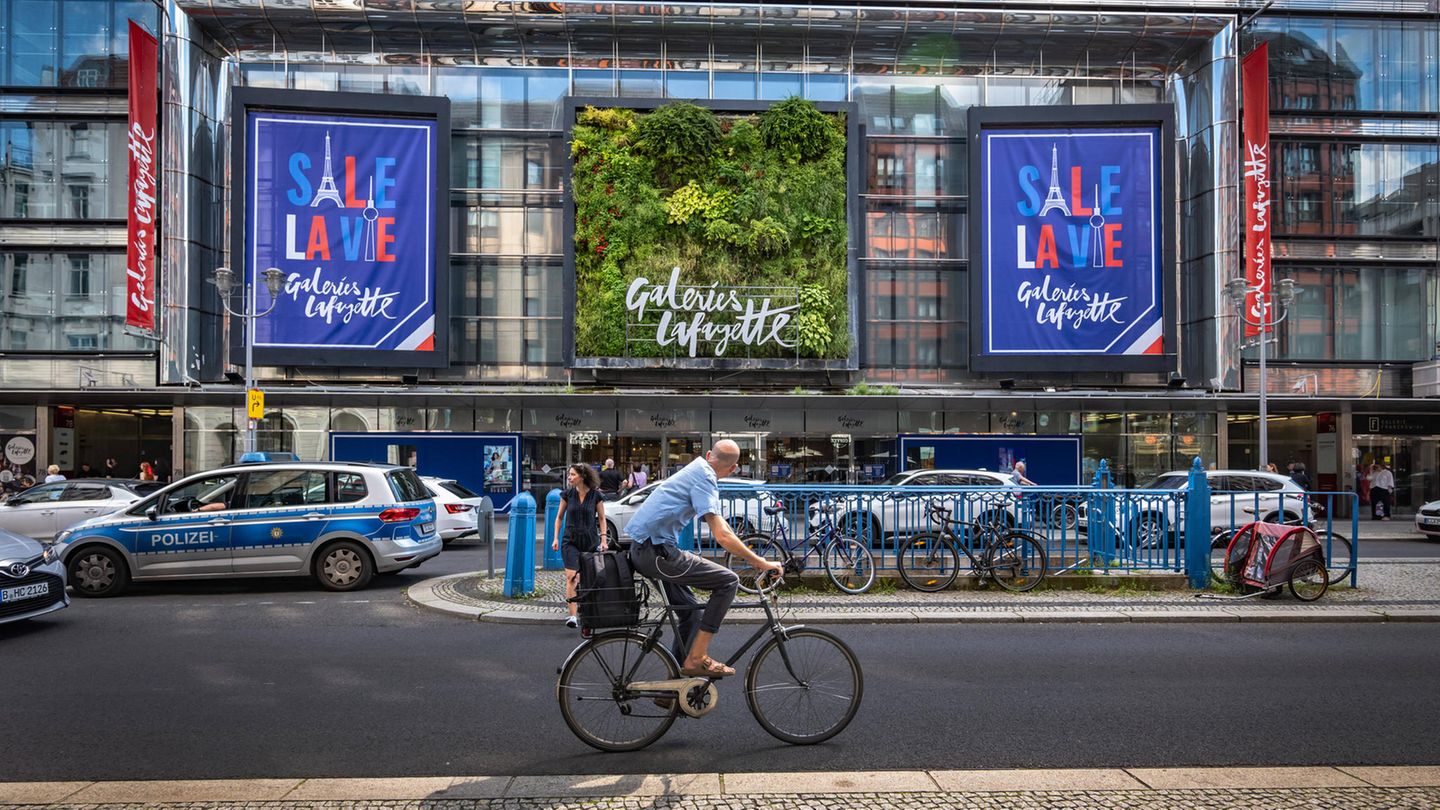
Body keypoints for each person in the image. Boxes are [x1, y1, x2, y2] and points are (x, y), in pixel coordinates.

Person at [625, 439, 783, 678]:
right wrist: (760, 562)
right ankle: (697, 657)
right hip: (657, 553)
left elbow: (721, 526)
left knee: (691, 613)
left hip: (644, 550)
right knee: (728, 581)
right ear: (733, 468)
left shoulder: (696, 468)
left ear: (710, 454)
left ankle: (672, 686)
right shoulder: (705, 477)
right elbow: (722, 535)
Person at [551, 463, 608, 629]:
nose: (569, 477)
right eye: (569, 474)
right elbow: (559, 517)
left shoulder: (596, 496)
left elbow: (602, 519)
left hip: (590, 542)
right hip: (570, 540)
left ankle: (587, 608)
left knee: (587, 577)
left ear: (582, 477)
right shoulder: (567, 495)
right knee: (571, 577)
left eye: (572, 475)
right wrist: (556, 538)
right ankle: (573, 616)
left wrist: (603, 540)